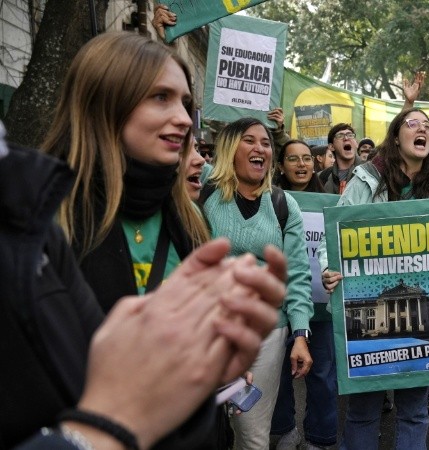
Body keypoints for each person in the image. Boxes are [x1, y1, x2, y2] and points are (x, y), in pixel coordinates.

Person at [1, 138, 286, 450]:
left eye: (183, 104)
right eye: (160, 99)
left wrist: (215, 361)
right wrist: (107, 426)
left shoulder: (189, 221)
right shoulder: (58, 223)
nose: (198, 162)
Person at [319, 108, 429, 450]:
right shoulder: (365, 180)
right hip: (366, 332)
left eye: (427, 126)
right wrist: (329, 268)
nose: (422, 129)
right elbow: (334, 235)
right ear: (394, 137)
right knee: (362, 413)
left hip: (418, 332)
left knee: (415, 412)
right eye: (412, 124)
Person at [41, 31, 209, 312]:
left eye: (184, 102)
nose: (183, 118)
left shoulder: (188, 215)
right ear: (107, 102)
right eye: (160, 97)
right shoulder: (41, 215)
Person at [202, 117, 314, 450]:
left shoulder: (283, 205)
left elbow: (296, 275)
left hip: (266, 334)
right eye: (249, 140)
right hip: (207, 329)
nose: (260, 148)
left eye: (266, 143)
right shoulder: (204, 189)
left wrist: (300, 335)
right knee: (199, 428)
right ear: (229, 148)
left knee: (251, 434)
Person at [270, 139, 337, 450]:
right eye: (293, 159)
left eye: (307, 158)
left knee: (322, 373)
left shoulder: (334, 204)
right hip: (278, 305)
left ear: (316, 163)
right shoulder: (267, 201)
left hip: (322, 306)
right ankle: (284, 430)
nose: (301, 164)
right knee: (279, 375)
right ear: (280, 165)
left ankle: (320, 437)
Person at [317, 123, 364, 194]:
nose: (346, 138)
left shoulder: (370, 172)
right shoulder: (322, 177)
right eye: (340, 136)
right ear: (331, 147)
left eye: (350, 135)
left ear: (356, 144)